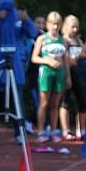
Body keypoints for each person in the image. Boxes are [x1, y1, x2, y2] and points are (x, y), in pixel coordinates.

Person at [0, 0, 38, 144]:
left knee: (16, 98)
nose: (2, 0)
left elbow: (33, 32)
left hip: (16, 62)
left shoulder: (19, 15)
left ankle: (20, 133)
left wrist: (26, 20)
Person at [31, 11, 70, 150]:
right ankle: (41, 130)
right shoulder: (42, 39)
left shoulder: (63, 40)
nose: (54, 27)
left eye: (57, 24)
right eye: (52, 24)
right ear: (47, 24)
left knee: (55, 103)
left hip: (59, 73)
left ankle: (53, 130)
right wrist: (46, 60)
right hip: (46, 72)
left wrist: (68, 76)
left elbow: (66, 60)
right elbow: (34, 58)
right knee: (44, 102)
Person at [60, 14, 86, 143]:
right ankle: (65, 130)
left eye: (77, 27)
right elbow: (66, 58)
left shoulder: (78, 40)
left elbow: (82, 55)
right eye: (72, 27)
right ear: (66, 27)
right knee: (65, 101)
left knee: (82, 100)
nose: (75, 30)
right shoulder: (63, 40)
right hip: (67, 72)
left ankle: (81, 130)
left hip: (79, 72)